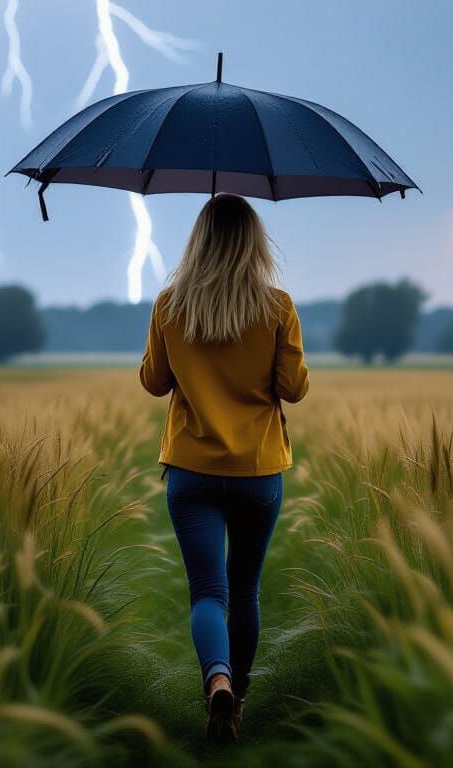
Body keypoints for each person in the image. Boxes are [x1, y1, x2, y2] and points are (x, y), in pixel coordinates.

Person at [139, 193, 310, 743]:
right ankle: (236, 700)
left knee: (208, 593)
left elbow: (154, 382)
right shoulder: (278, 306)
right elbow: (293, 389)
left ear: (198, 243)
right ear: (255, 244)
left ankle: (216, 681)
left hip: (191, 469)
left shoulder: (170, 305)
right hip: (258, 472)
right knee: (246, 589)